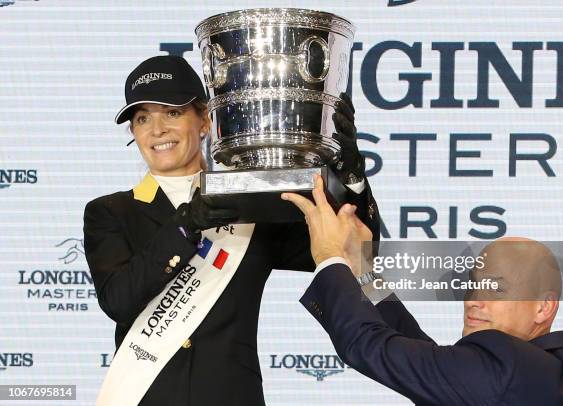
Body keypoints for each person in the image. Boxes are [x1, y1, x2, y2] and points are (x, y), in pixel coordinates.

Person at [83, 55, 380, 405]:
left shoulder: (253, 203)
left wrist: (351, 180)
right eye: (142, 118)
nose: (157, 129)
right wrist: (187, 224)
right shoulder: (111, 211)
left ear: (205, 120)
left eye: (173, 113)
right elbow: (119, 300)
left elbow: (355, 248)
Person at [281, 176, 563, 406]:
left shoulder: (508, 369)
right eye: (473, 287)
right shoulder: (545, 371)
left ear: (543, 307)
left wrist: (329, 256)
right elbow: (426, 357)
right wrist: (363, 270)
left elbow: (370, 346)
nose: (474, 302)